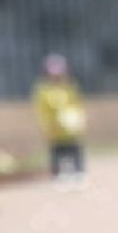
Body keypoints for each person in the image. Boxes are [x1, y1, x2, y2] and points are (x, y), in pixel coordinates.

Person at [31, 54, 87, 187]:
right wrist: (46, 126)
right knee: (57, 152)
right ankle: (58, 174)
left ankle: (78, 172)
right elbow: (41, 109)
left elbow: (77, 104)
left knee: (74, 149)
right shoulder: (43, 90)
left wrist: (79, 120)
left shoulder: (69, 86)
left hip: (70, 127)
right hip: (54, 127)